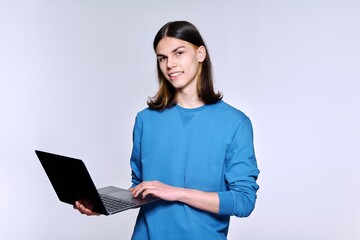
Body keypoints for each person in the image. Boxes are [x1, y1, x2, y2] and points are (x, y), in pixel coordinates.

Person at [75, 21, 259, 240]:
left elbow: (244, 201)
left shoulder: (235, 123)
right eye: (162, 58)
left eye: (178, 53)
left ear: (200, 54)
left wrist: (176, 192)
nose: (169, 64)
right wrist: (104, 205)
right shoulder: (146, 120)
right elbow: (142, 188)